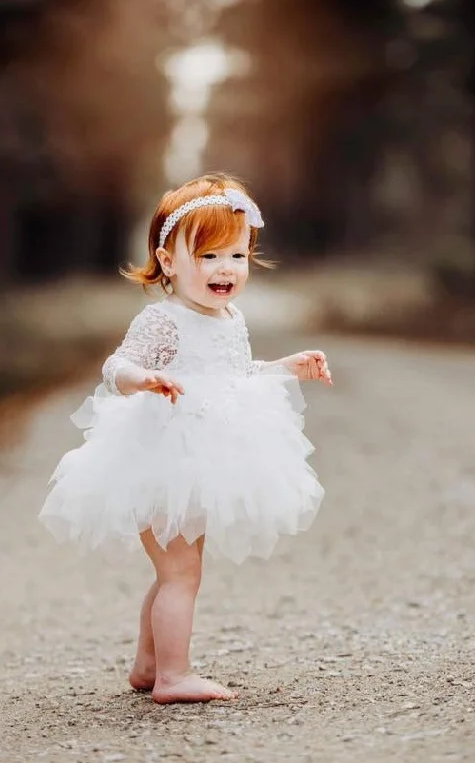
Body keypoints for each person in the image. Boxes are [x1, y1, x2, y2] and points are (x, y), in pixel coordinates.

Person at [39, 173, 332, 704]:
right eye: (208, 256)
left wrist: (288, 367)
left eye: (236, 256)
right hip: (160, 461)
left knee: (175, 570)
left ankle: (149, 666)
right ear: (168, 261)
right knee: (181, 574)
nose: (225, 269)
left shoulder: (230, 318)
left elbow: (236, 378)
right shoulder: (164, 320)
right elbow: (116, 366)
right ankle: (174, 676)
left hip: (198, 464)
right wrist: (143, 379)